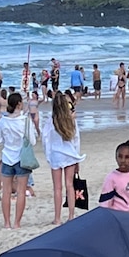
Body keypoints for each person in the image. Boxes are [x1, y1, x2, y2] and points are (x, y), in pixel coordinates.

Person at [0, 92, 36, 229]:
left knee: (6, 192)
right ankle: (17, 223)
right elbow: (33, 141)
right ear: (18, 104)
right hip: (21, 158)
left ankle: (7, 223)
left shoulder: (2, 121)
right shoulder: (25, 120)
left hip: (7, 157)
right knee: (21, 191)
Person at [43, 93, 85, 225]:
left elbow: (46, 140)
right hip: (70, 155)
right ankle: (71, 215)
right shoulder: (71, 120)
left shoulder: (51, 121)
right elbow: (76, 139)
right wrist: (77, 157)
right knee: (69, 185)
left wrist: (48, 155)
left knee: (57, 188)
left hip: (56, 154)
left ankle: (57, 218)